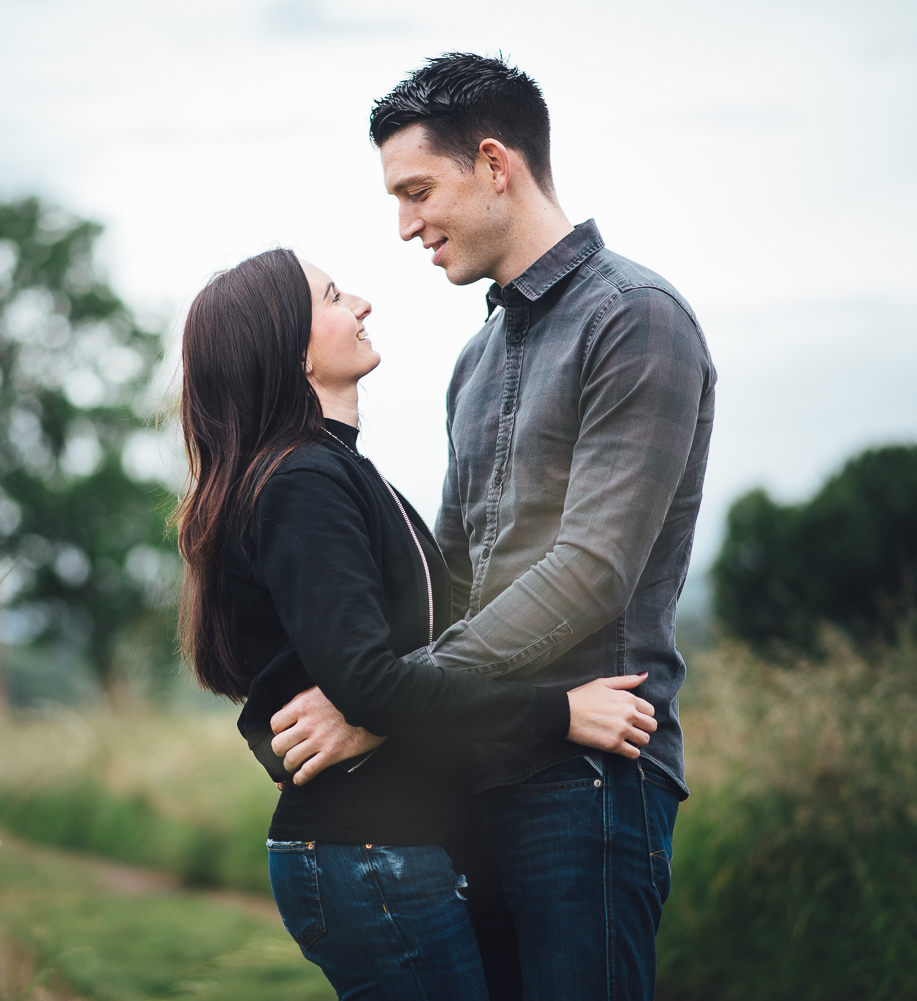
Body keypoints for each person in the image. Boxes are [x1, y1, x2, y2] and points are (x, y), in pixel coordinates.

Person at [267, 54, 718, 1000]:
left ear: (495, 164)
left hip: (592, 775)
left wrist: (380, 704)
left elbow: (591, 570)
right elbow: (452, 577)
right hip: (471, 776)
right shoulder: (474, 363)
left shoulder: (636, 320)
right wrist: (388, 694)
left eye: (419, 190)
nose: (405, 226)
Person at [174, 247, 660, 1000]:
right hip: (367, 848)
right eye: (334, 297)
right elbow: (369, 683)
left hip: (391, 845)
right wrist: (561, 711)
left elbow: (385, 670)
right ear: (292, 354)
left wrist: (376, 705)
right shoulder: (304, 481)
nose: (361, 302)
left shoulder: (335, 472)